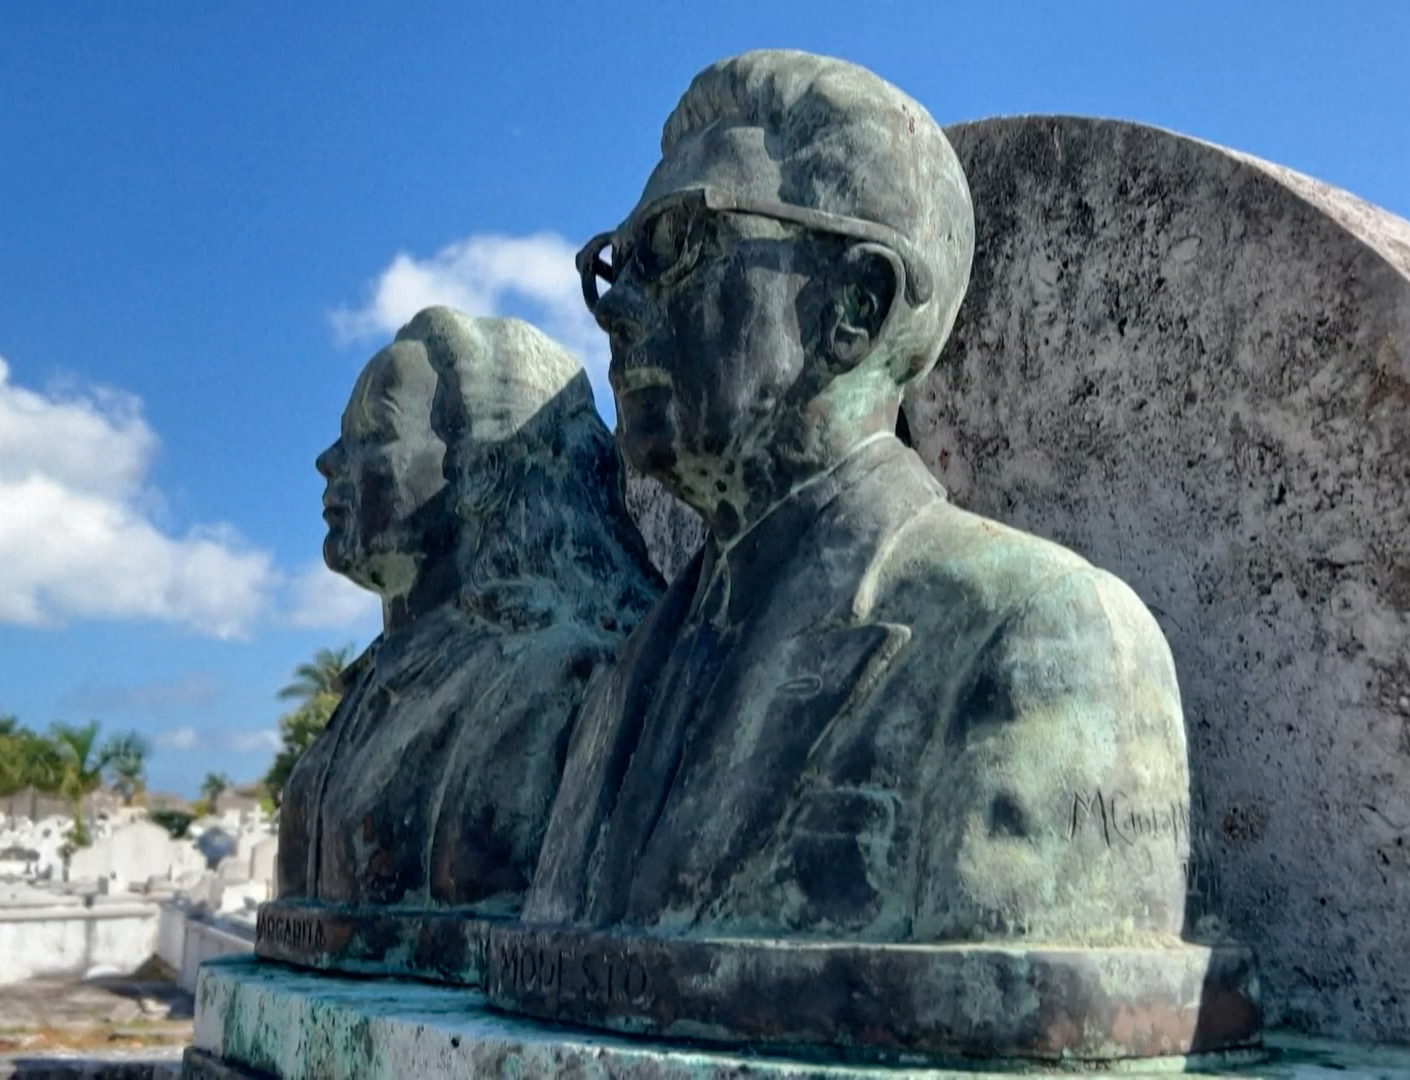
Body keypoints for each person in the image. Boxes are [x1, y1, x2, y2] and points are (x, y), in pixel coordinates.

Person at [524, 50, 1192, 946]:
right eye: (618, 262)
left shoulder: (1037, 635)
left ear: (856, 307)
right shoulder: (617, 688)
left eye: (676, 244)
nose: (619, 306)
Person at [275, 306, 661, 913]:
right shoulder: (370, 690)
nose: (329, 460)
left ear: (479, 469)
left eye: (373, 432)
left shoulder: (549, 685)